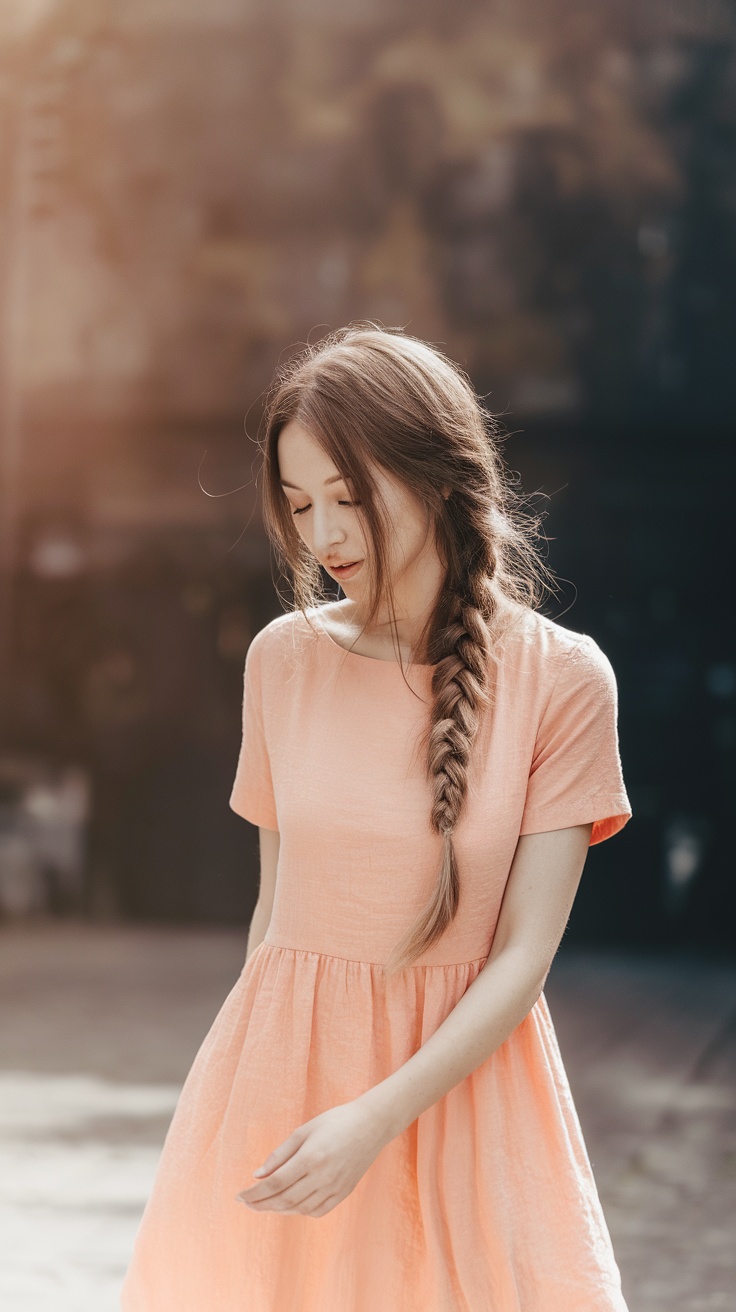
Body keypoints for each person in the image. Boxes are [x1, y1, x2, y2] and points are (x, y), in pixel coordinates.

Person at [120, 323, 632, 1311]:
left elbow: (522, 959)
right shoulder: (281, 658)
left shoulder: (563, 679)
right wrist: (251, 1108)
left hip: (460, 1103)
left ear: (438, 477)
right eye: (301, 505)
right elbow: (273, 920)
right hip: (282, 1090)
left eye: (350, 497)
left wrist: (374, 1116)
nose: (324, 537)